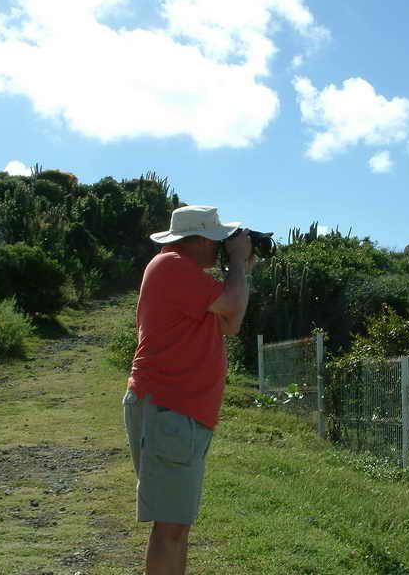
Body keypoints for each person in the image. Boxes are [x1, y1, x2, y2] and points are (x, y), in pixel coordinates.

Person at [122, 205, 255, 575]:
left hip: (180, 410)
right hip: (170, 407)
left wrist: (237, 270)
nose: (219, 247)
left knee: (177, 524)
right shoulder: (172, 266)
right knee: (170, 527)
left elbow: (232, 322)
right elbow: (233, 306)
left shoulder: (183, 271)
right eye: (216, 241)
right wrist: (239, 265)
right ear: (197, 240)